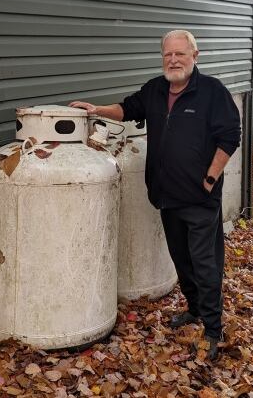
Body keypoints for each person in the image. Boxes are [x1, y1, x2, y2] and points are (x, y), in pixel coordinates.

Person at [69, 30, 241, 360]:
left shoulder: (212, 92)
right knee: (181, 258)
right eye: (168, 55)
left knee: (206, 264)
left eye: (180, 54)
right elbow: (128, 108)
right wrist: (97, 109)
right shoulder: (156, 89)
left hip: (200, 199)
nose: (173, 60)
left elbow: (230, 137)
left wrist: (209, 178)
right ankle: (194, 309)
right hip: (167, 196)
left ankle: (213, 330)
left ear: (195, 55)